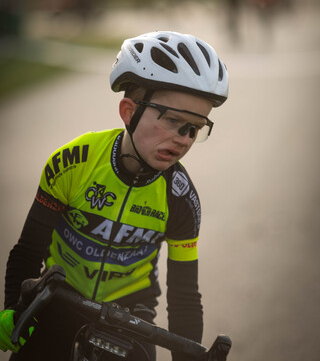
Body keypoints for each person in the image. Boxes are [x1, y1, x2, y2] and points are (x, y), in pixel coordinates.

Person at [0, 31, 229, 360]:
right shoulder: (72, 163)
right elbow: (28, 250)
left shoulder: (181, 200)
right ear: (128, 112)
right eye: (174, 120)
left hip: (131, 318)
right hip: (59, 299)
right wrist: (12, 308)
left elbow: (184, 296)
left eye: (194, 128)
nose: (183, 139)